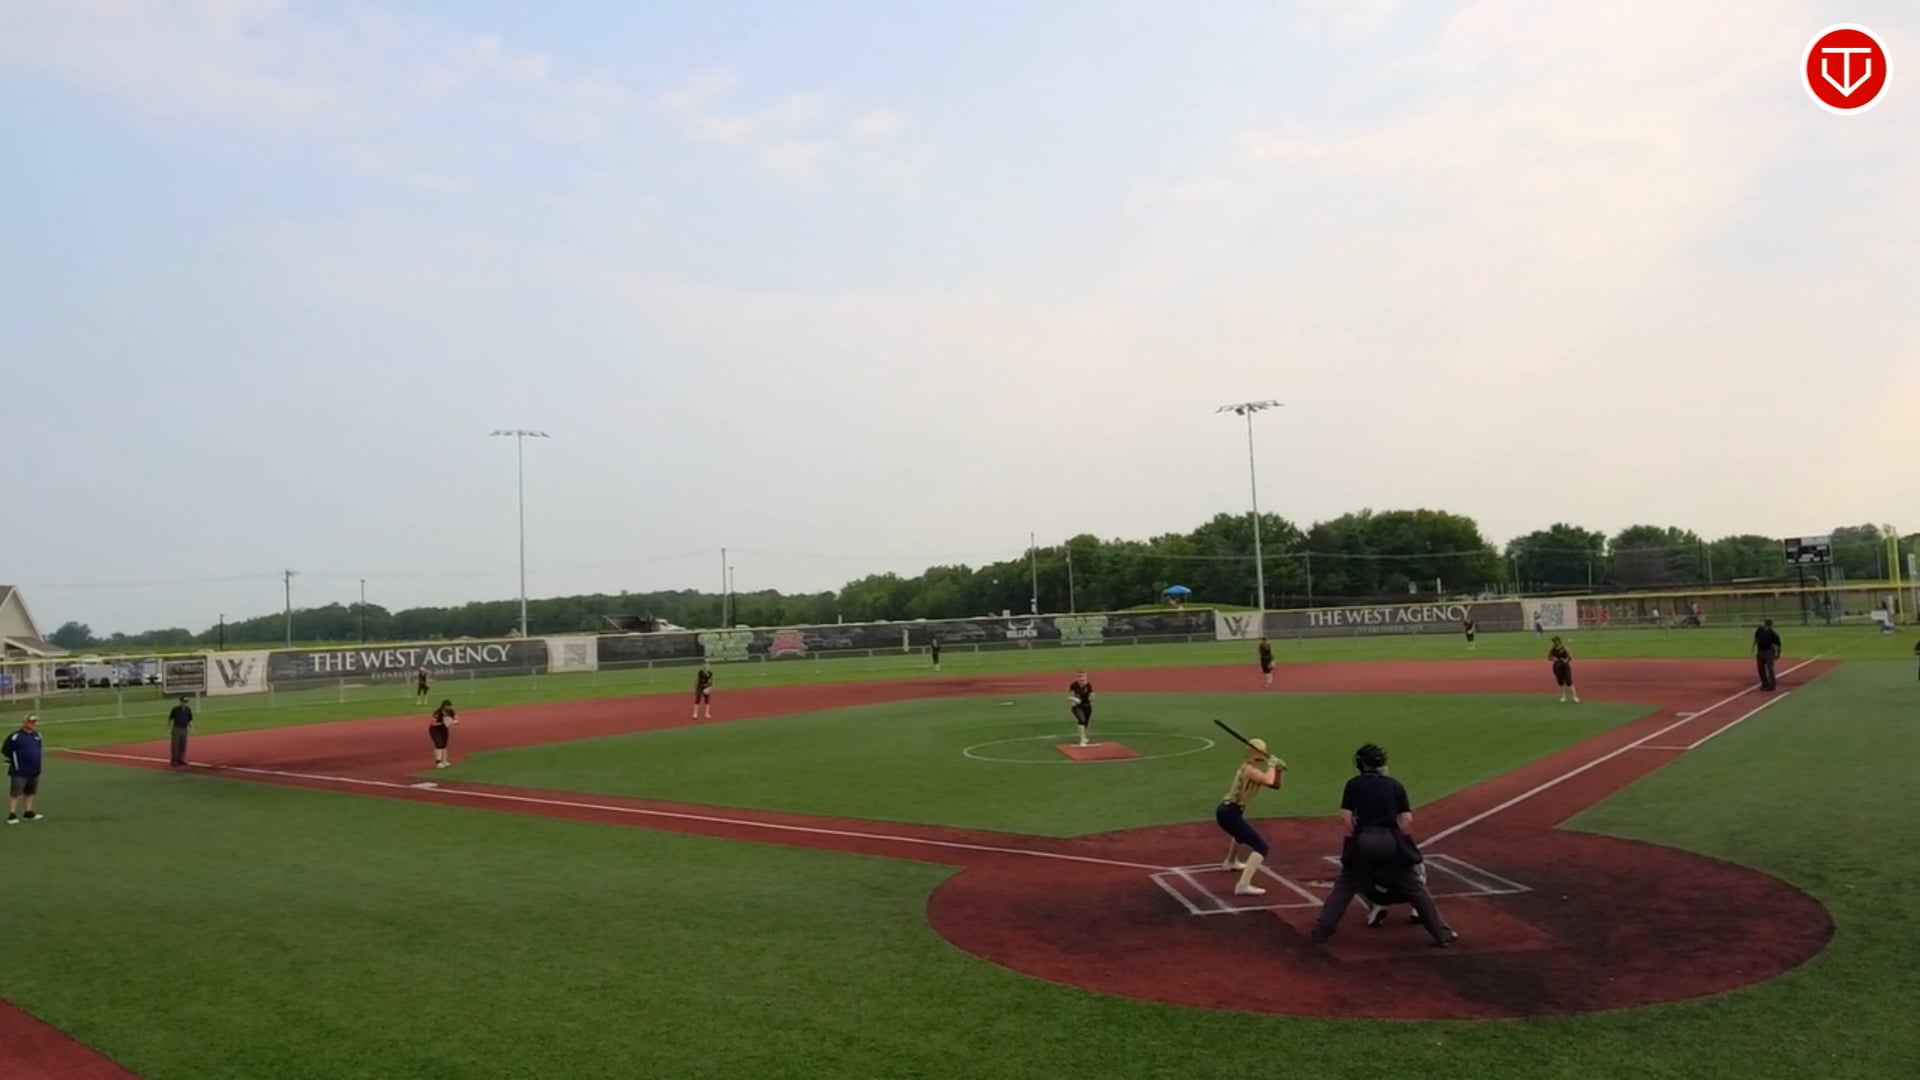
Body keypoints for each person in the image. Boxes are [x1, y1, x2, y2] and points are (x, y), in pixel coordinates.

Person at [1308, 743, 1456, 947]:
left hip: (1364, 840)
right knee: (1415, 887)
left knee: (1345, 886)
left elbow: (1347, 819)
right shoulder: (1395, 785)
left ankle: (1321, 931)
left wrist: (1357, 839)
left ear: (1361, 763)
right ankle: (1442, 934)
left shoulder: (1354, 784)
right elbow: (1406, 820)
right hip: (1391, 841)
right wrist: (1396, 838)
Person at [1214, 737, 1286, 896]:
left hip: (1231, 812)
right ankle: (1243, 885)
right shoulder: (1249, 770)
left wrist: (1278, 771)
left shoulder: (1253, 769)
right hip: (1229, 812)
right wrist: (1272, 765)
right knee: (1261, 847)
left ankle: (1230, 862)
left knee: (1239, 833)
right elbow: (1268, 779)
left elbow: (1275, 785)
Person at [3, 713, 45, 824]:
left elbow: (38, 749)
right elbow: (5, 750)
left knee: (30, 792)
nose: (32, 724)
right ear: (24, 722)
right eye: (30, 722)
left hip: (34, 769)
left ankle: (28, 812)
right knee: (15, 793)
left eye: (34, 722)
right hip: (20, 770)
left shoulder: (37, 735)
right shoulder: (15, 736)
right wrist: (15, 759)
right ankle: (12, 815)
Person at [1752, 619, 1782, 691]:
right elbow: (1756, 638)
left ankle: (1771, 685)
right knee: (1761, 668)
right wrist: (1753, 647)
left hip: (1769, 651)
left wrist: (1778, 654)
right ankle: (1765, 684)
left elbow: (1778, 644)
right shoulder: (1760, 630)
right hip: (1761, 650)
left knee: (1769, 668)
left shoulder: (1772, 633)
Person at [428, 698, 458, 769]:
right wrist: (442, 723)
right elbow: (432, 723)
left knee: (444, 745)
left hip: (444, 729)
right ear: (444, 706)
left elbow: (456, 719)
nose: (449, 708)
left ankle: (444, 761)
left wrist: (453, 722)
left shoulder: (451, 711)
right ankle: (438, 762)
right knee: (439, 744)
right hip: (435, 730)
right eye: (448, 706)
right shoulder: (437, 713)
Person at [1067, 671, 1094, 747]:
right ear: (1078, 678)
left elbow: (1092, 696)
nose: (1082, 678)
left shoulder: (1088, 685)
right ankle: (1082, 740)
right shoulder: (1073, 685)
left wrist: (1091, 697)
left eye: (1083, 677)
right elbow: (1069, 696)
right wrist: (1074, 699)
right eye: (1080, 677)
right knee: (1081, 720)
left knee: (1086, 723)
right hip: (1077, 706)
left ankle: (1084, 737)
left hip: (1087, 706)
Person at [1550, 635, 1579, 703]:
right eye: (1554, 641)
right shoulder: (1552, 649)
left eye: (1556, 641)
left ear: (1559, 641)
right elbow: (1549, 657)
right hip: (1557, 667)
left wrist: (1566, 660)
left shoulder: (1565, 648)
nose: (1555, 642)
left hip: (1565, 666)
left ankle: (1575, 696)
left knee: (1568, 681)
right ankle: (1563, 696)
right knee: (1561, 682)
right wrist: (1553, 659)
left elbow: (1570, 657)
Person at [168, 694, 194, 767]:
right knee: (175, 745)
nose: (185, 703)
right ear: (180, 701)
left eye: (186, 702)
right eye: (183, 702)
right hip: (176, 728)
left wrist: (192, 728)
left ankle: (182, 759)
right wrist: (169, 728)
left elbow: (190, 720)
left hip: (184, 729)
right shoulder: (175, 709)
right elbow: (171, 719)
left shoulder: (188, 709)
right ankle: (175, 760)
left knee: (183, 745)